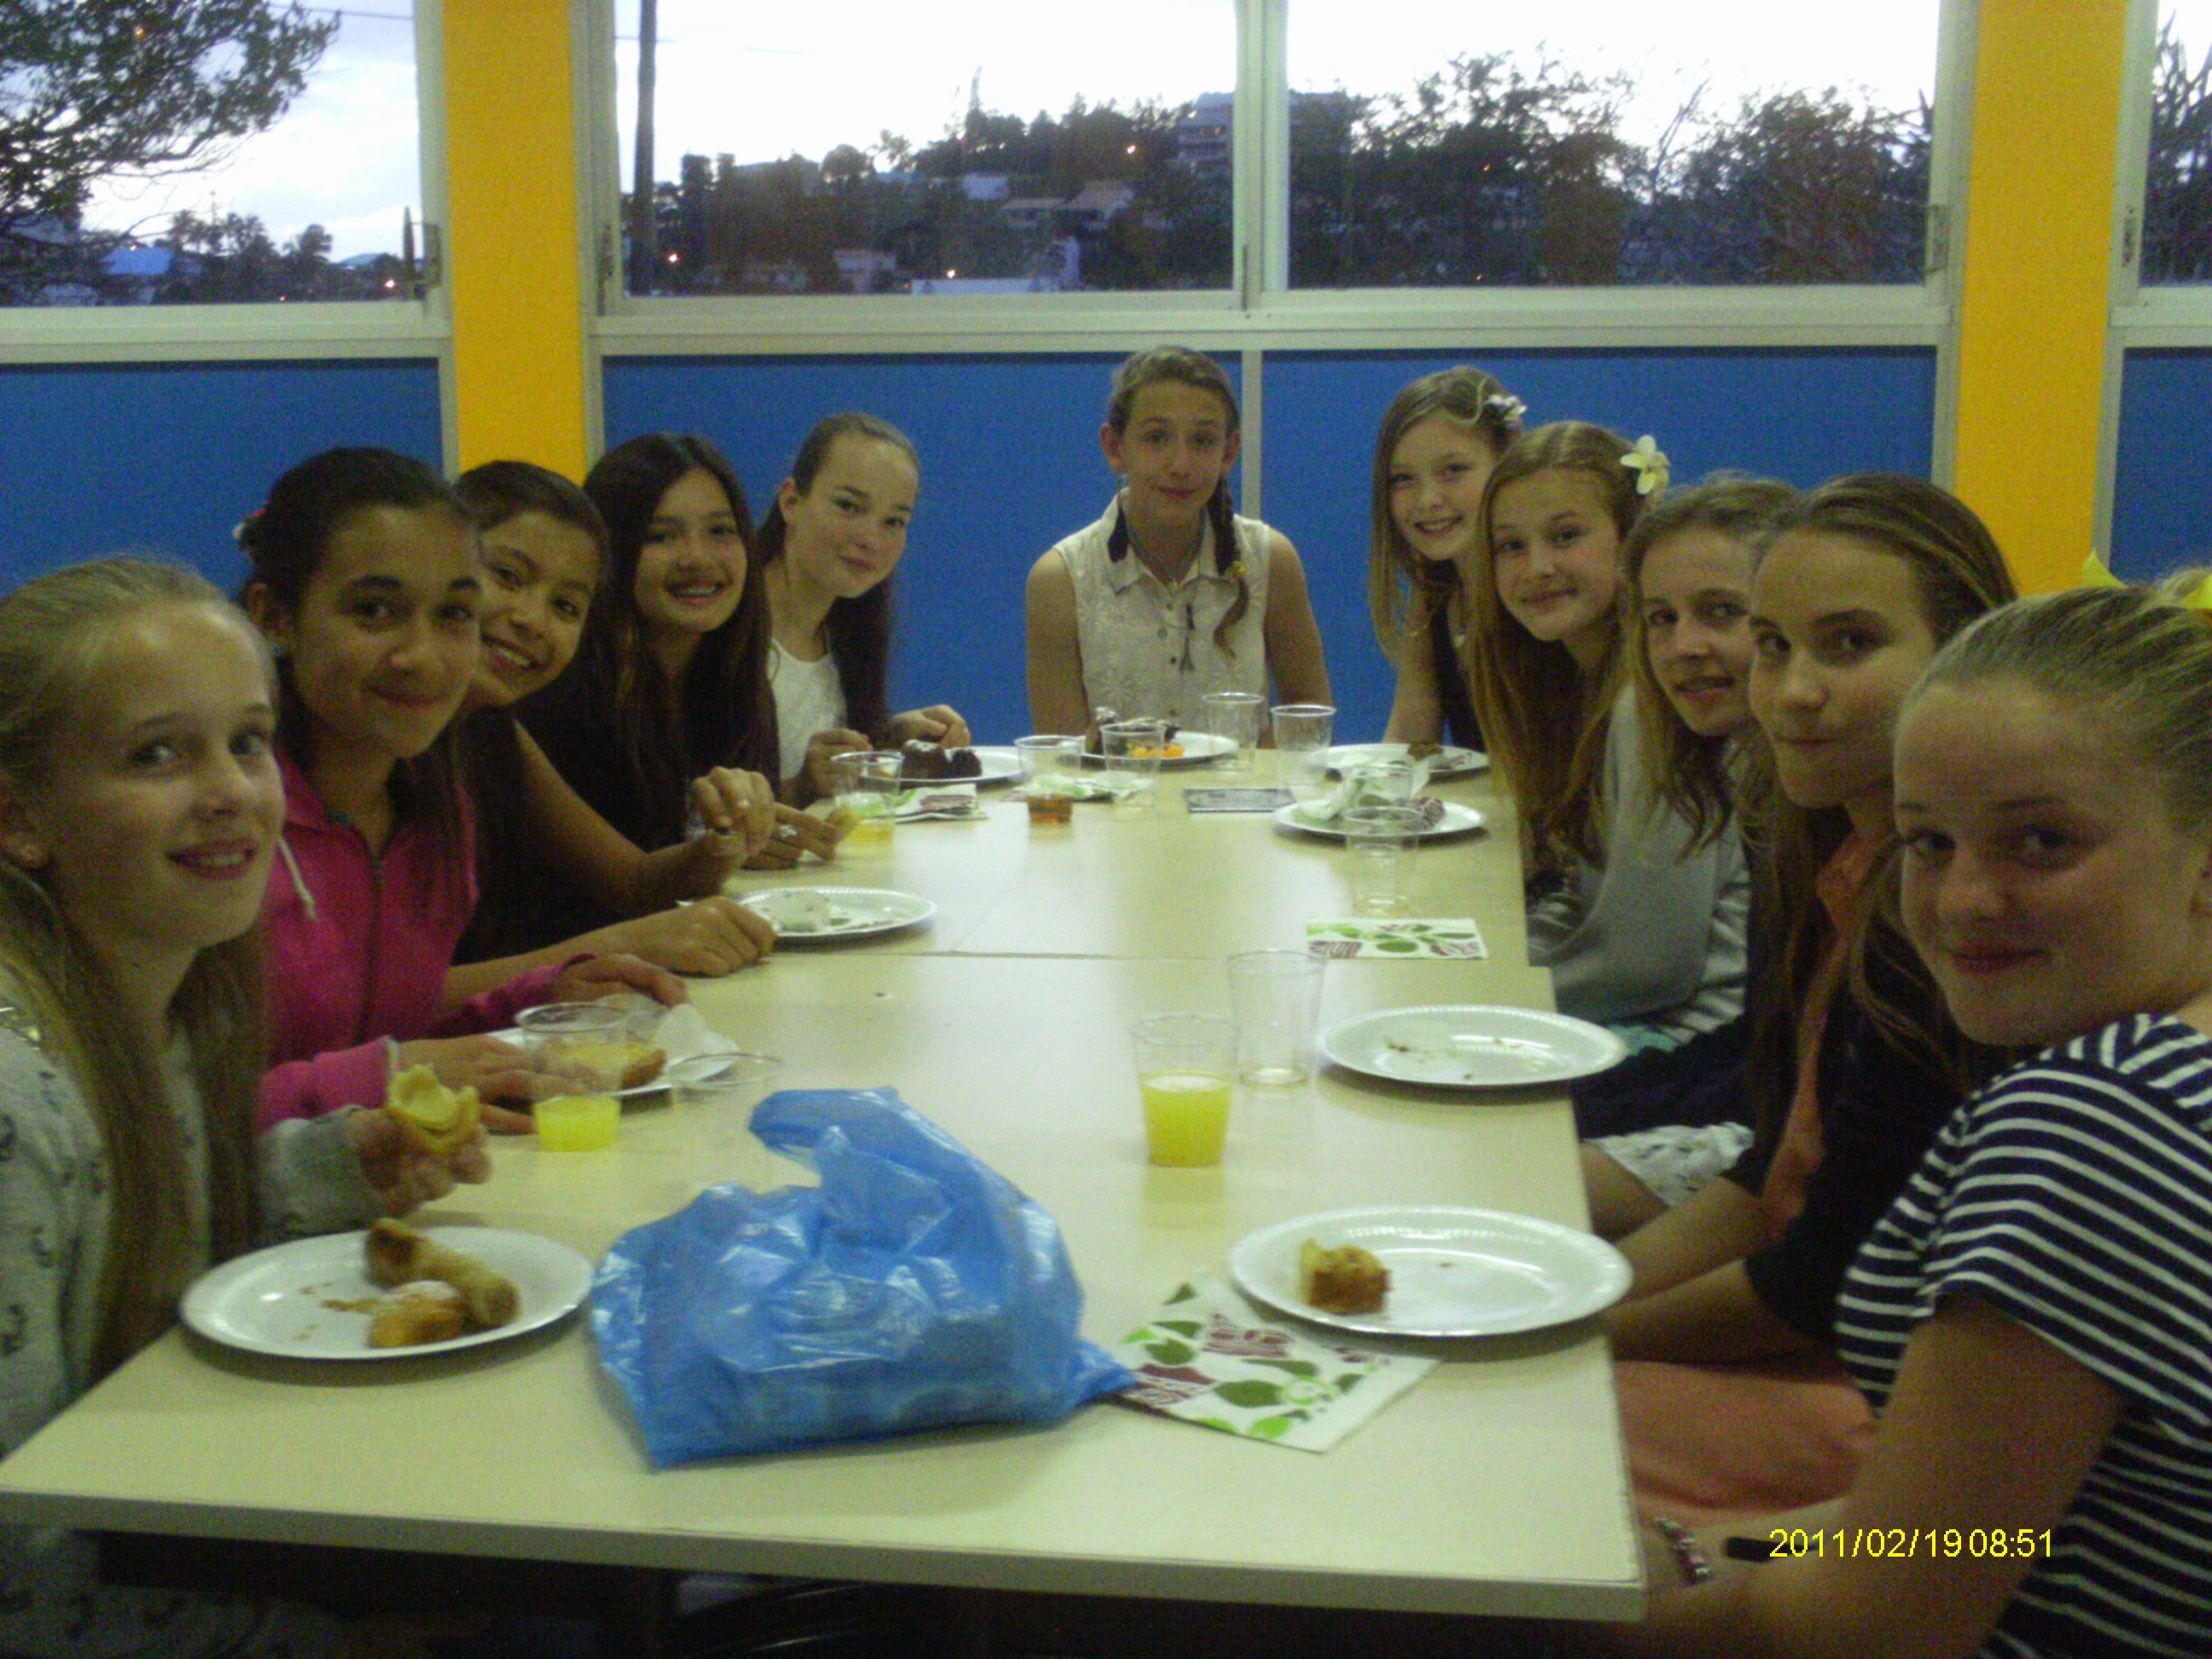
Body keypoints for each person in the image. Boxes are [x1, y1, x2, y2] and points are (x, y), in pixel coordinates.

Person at [1583, 575, 2212, 1659]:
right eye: (1927, 843)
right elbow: (1968, 1533)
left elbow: (1879, 1622)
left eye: (2043, 842)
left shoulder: (2099, 1127)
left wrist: (1575, 1621)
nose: (1964, 900)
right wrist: (1706, 1552)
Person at [0, 558, 484, 1657]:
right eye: (157, 755)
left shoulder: (174, 1009)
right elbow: (18, 1575)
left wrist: (325, 1168)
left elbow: (126, 1235)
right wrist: (310, 1643)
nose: (229, 791)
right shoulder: (16, 1103)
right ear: (20, 817)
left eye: (249, 743)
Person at [1596, 474, 2017, 1524]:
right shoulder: (1822, 852)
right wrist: (1576, 1304)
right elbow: (1765, 1173)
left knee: (1519, 1441)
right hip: (1815, 1329)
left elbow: (1825, 1281)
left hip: (1891, 1411)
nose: (1788, 692)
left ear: (1964, 652)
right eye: (1775, 646)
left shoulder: (1955, 928)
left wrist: (1576, 1336)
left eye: (1849, 645)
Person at [237, 448, 680, 1133]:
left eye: (453, 614)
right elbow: (159, 1121)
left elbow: (391, 1034)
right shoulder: (225, 821)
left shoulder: (436, 803)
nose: (424, 656)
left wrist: (538, 996)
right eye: (374, 610)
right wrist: (388, 1077)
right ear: (275, 617)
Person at [446, 458, 812, 979]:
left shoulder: (490, 730)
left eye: (565, 606)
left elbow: (637, 882)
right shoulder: (375, 744)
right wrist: (618, 946)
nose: (531, 619)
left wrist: (722, 841)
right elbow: (379, 1009)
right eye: (507, 576)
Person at [1467, 421, 1745, 1045]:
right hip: (1633, 1017)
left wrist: (1477, 994)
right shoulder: (1577, 687)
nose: (1537, 567)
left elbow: (1646, 967)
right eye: (1510, 546)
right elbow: (1587, 906)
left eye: (1566, 536)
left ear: (1632, 541)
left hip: (1684, 1040)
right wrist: (1479, 963)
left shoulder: (1649, 705)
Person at [1572, 474, 1797, 1173]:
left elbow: (1771, 1076)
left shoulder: (1818, 812)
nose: (1683, 646)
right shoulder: (1747, 774)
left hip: (1759, 1134)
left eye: (1722, 612)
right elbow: (1760, 1049)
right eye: (1660, 619)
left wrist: (1576, 1114)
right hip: (1734, 1090)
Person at [523, 434, 806, 932]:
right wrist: (717, 849)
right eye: (661, 536)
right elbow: (627, 889)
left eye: (720, 531)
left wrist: (748, 834)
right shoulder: (556, 697)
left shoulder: (736, 682)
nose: (697, 558)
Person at [1024, 346, 1331, 735]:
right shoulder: (1061, 580)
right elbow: (1062, 758)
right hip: (1114, 779)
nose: (1181, 465)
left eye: (1202, 441)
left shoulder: (1269, 560)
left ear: (1229, 452)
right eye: (1156, 438)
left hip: (1242, 778)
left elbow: (1310, 730)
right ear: (1115, 448)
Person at [755, 412, 970, 804]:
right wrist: (798, 788)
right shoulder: (723, 622)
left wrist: (885, 741)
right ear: (791, 501)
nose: (871, 539)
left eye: (894, 521)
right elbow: (686, 808)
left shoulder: (849, 629)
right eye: (848, 506)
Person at [1365, 364, 1523, 748]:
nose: (1428, 500)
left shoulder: (1536, 586)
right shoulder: (1435, 585)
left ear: (1507, 462)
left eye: (1452, 470)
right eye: (1403, 479)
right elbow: (1408, 740)